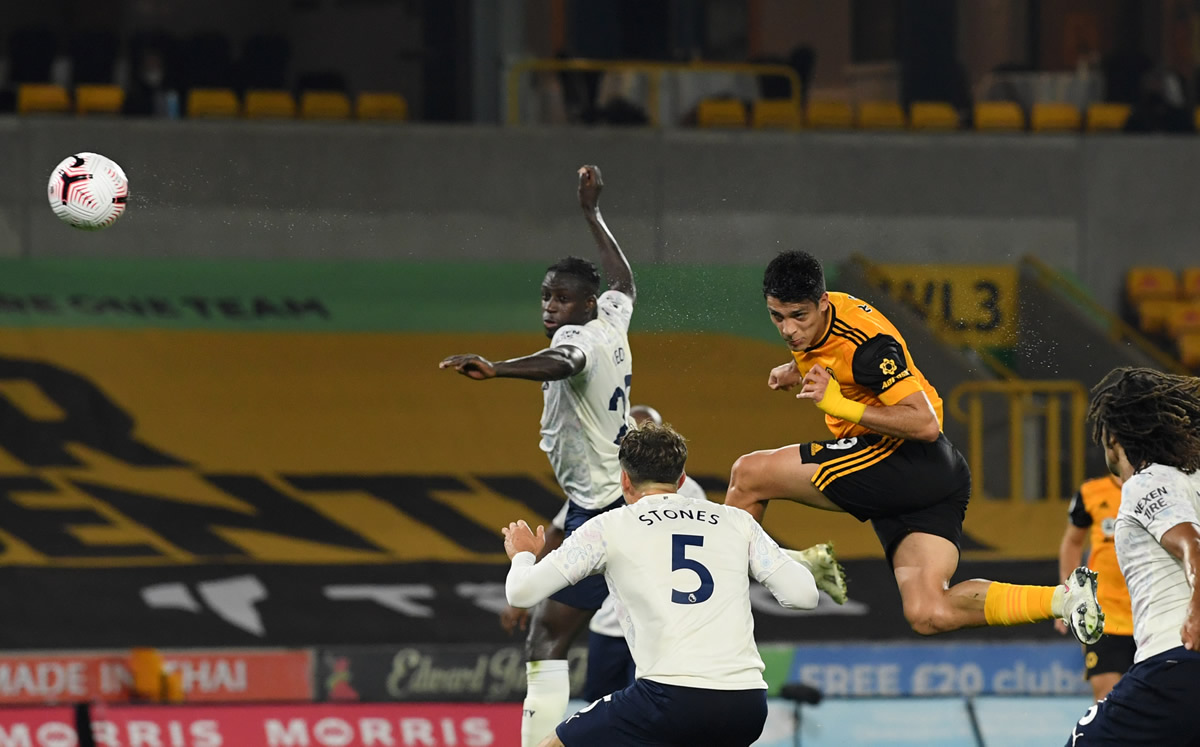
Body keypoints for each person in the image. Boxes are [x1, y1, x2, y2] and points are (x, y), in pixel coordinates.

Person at [724, 250, 1104, 642]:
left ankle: (715, 596)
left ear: (822, 302)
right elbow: (832, 356)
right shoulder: (819, 323)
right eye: (777, 317)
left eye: (798, 316)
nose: (787, 330)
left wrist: (838, 404)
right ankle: (1065, 600)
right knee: (928, 611)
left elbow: (924, 423)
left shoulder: (869, 344)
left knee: (749, 474)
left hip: (901, 457)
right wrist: (796, 368)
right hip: (938, 477)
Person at [441, 164, 635, 747]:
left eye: (562, 298)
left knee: (546, 639)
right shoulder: (610, 319)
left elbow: (564, 364)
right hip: (620, 496)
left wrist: (498, 369)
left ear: (585, 303)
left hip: (599, 509)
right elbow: (625, 280)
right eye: (546, 296)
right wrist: (592, 214)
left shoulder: (573, 340)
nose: (551, 307)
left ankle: (539, 742)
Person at [502, 423, 820, 746]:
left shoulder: (610, 527)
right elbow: (805, 595)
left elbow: (521, 592)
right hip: (747, 705)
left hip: (668, 700)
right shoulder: (735, 521)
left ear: (624, 479)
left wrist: (523, 555)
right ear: (681, 480)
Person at [1067, 367, 1200, 745]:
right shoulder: (1194, 479)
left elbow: (1191, 545)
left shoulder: (1148, 481)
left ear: (1113, 437)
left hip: (1175, 662)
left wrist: (1197, 610)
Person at [1057, 472, 1133, 701]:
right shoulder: (1091, 492)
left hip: (1153, 615)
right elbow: (1073, 541)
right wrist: (1068, 596)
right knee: (1107, 699)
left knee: (1156, 702)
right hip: (1104, 615)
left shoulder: (1164, 486)